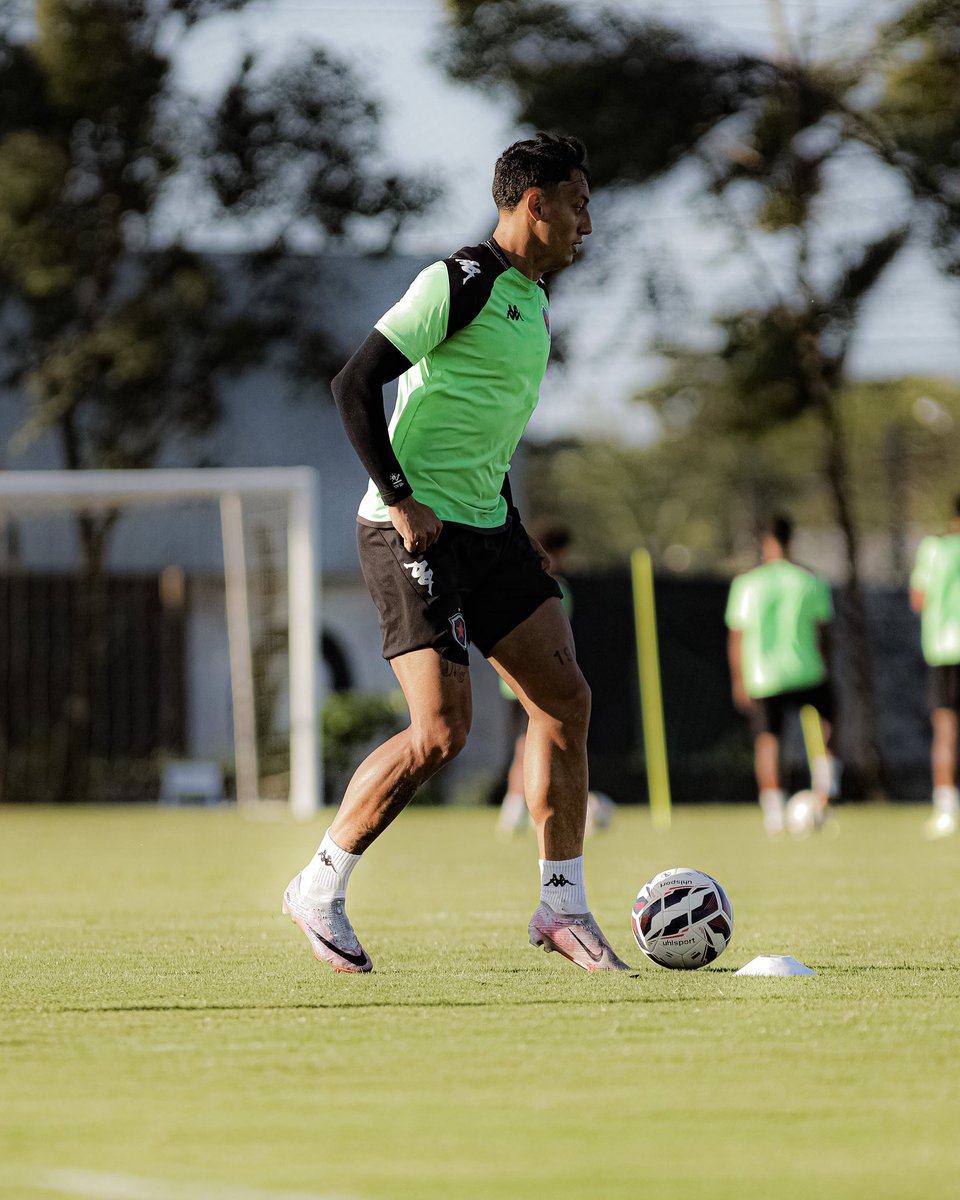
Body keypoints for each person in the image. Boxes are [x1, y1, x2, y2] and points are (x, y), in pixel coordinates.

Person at [282, 132, 629, 973]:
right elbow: (354, 383)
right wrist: (401, 500)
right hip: (408, 530)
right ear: (533, 202)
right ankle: (318, 886)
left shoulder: (535, 300)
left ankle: (562, 906)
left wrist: (511, 526)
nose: (588, 221)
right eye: (578, 203)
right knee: (442, 732)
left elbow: (484, 435)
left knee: (565, 702)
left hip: (489, 529)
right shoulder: (459, 281)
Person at [725, 514, 836, 836]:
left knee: (768, 741)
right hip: (807, 669)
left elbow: (737, 636)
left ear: (765, 541)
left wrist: (739, 678)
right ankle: (828, 792)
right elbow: (823, 631)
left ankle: (773, 812)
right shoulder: (811, 579)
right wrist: (825, 662)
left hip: (762, 675)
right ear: (791, 539)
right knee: (829, 726)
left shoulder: (746, 582)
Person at [910, 496, 960, 838]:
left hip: (944, 649)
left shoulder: (934, 548)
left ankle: (945, 809)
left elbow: (919, 599)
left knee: (945, 730)